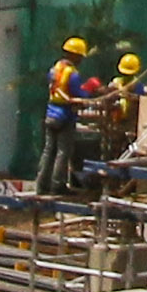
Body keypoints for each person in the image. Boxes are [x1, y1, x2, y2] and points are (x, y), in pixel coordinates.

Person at [36, 36, 96, 194]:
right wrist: (89, 90)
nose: (81, 59)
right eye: (80, 56)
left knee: (48, 151)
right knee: (64, 152)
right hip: (65, 117)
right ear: (75, 55)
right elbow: (79, 95)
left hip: (50, 113)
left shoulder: (55, 69)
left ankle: (41, 185)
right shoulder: (73, 74)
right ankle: (57, 186)